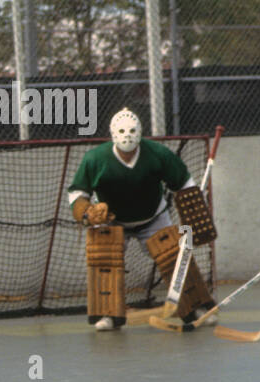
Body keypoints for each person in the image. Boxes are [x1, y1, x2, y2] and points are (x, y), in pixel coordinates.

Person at [66, 108, 216, 331]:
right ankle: (108, 314)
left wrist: (195, 216)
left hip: (153, 217)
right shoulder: (95, 159)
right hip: (112, 220)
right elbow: (77, 192)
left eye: (132, 131)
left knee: (176, 256)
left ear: (140, 133)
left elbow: (183, 183)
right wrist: (87, 212)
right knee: (103, 260)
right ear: (113, 134)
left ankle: (195, 307)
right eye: (122, 131)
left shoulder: (157, 153)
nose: (127, 136)